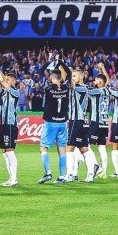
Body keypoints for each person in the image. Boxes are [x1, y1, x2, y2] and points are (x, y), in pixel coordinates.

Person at [38, 53, 70, 184]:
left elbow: (41, 71)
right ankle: (62, 176)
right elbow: (67, 72)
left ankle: (48, 173)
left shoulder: (48, 88)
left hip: (51, 122)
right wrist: (61, 62)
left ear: (52, 77)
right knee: (62, 149)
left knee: (43, 148)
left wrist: (50, 60)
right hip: (63, 123)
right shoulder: (66, 87)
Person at [65, 68, 99, 183]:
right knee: (84, 149)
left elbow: (70, 84)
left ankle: (69, 175)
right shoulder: (85, 88)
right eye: (73, 76)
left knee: (69, 148)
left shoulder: (81, 88)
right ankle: (90, 174)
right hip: (83, 122)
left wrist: (67, 72)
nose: (73, 78)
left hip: (76, 121)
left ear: (81, 77)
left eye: (75, 76)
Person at [0, 56, 19, 186]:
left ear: (12, 82)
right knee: (5, 151)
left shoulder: (14, 91)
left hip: (10, 124)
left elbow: (1, 79)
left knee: (9, 150)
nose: (4, 81)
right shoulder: (2, 92)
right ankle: (11, 178)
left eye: (8, 80)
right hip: (3, 124)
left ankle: (14, 179)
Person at [86, 62, 111, 178]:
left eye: (95, 80)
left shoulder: (96, 91)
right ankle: (104, 172)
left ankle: (96, 166)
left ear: (100, 83)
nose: (93, 82)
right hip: (105, 123)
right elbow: (108, 81)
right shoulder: (108, 90)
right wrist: (103, 69)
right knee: (102, 147)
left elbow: (86, 91)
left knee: (87, 145)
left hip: (96, 122)